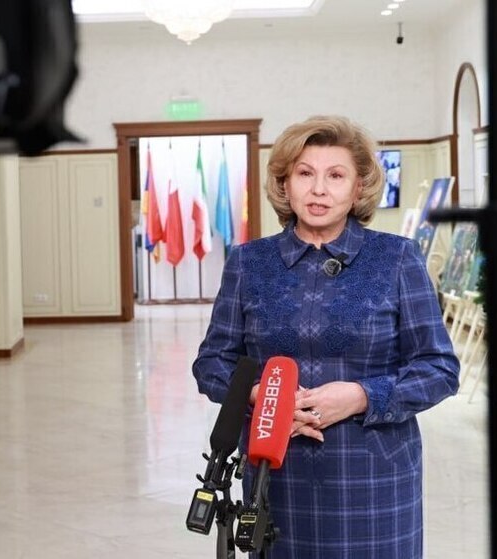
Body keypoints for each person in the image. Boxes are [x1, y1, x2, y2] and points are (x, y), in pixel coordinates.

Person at [192, 115, 460, 558]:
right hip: (275, 473)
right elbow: (212, 363)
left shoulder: (397, 258)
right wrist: (264, 397)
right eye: (305, 174)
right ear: (285, 184)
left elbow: (439, 368)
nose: (319, 190)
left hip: (375, 474)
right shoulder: (248, 262)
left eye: (336, 176)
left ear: (359, 187)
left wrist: (360, 396)